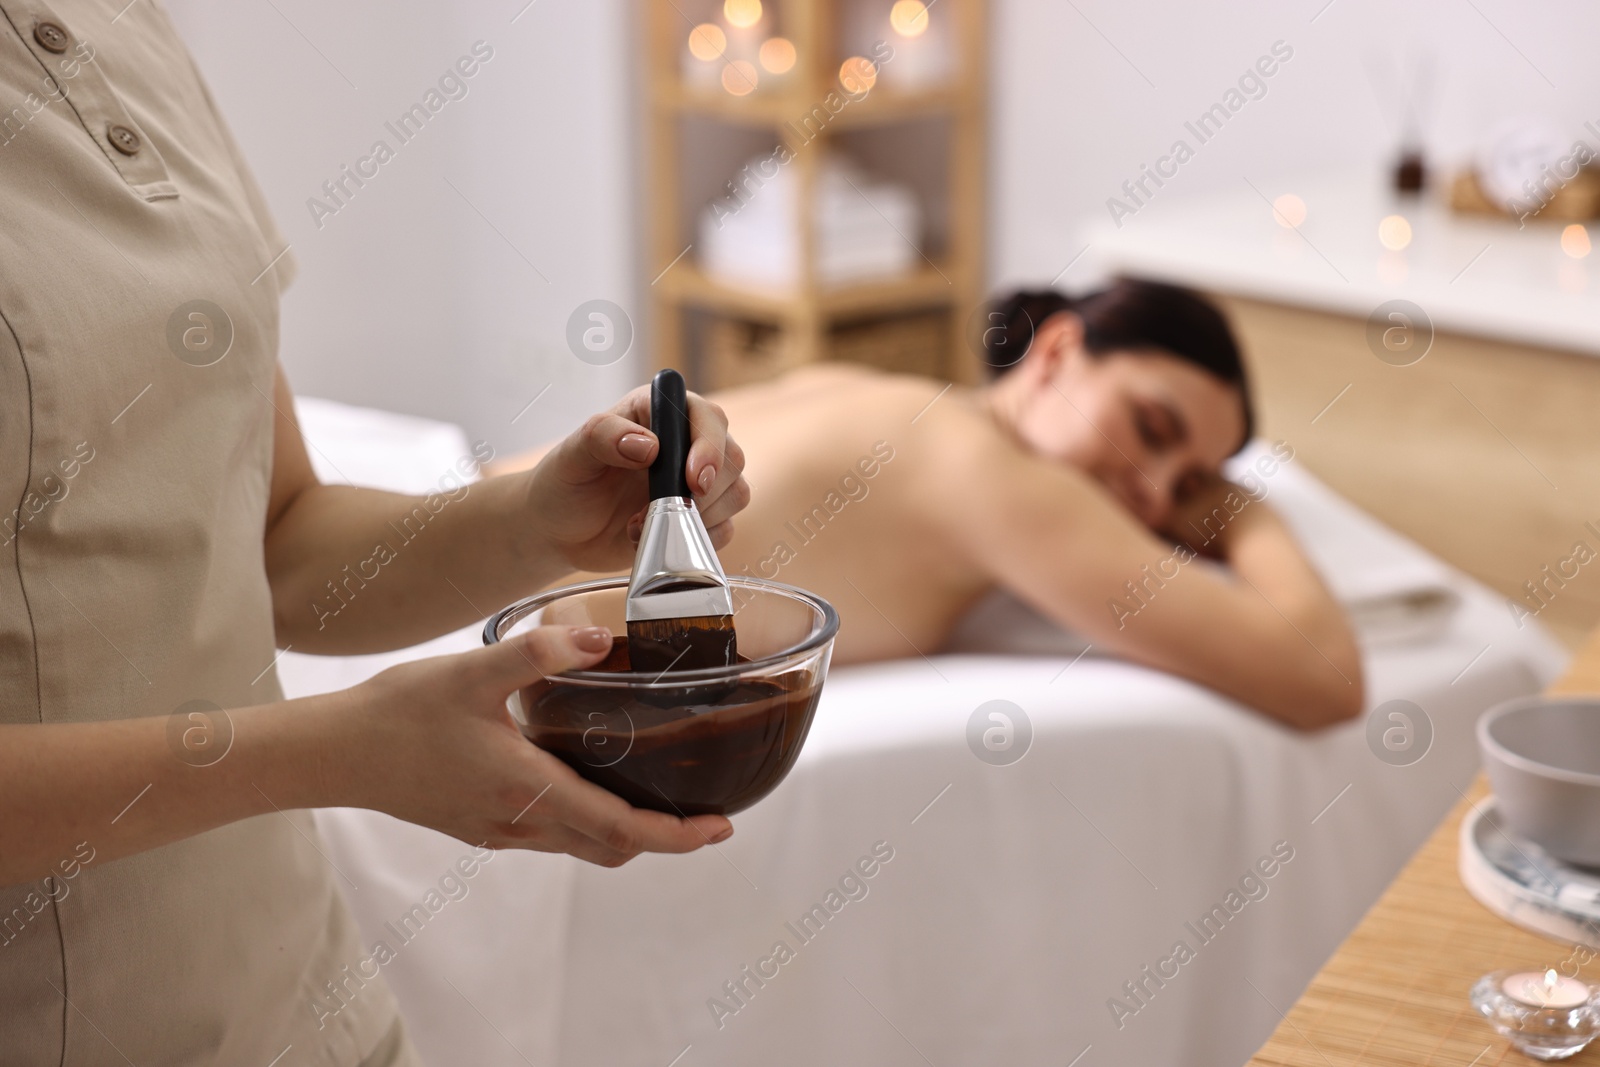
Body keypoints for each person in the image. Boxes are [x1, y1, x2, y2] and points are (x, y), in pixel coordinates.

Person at [0, 7, 748, 1065]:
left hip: (301, 1005)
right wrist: (335, 750)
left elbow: (278, 536)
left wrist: (540, 520)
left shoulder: (119, 26)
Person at [498, 279, 1363, 730]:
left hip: (462, 544)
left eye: (1187, 485)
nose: (1155, 489)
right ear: (1059, 351)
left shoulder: (890, 396)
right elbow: (1325, 680)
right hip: (481, 635)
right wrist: (1250, 515)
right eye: (1151, 427)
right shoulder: (994, 476)